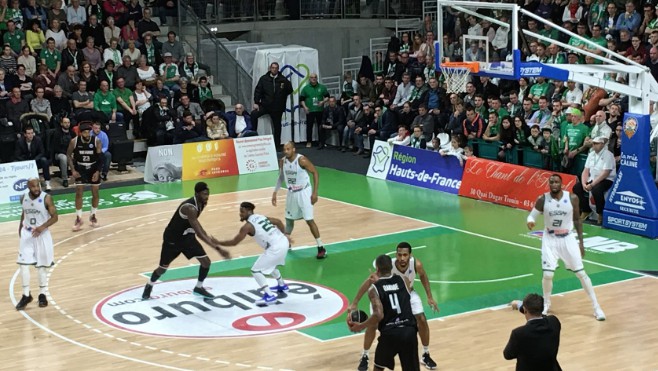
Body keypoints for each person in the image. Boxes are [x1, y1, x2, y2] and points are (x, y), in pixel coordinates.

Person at [526, 174, 606, 320]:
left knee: (581, 274)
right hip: (550, 238)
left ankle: (596, 307)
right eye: (551, 182)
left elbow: (577, 219)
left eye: (556, 182)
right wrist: (530, 222)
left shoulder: (572, 198)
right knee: (548, 275)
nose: (554, 184)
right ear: (549, 184)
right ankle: (546, 304)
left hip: (568, 238)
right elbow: (532, 216)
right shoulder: (542, 199)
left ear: (561, 184)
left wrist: (581, 243)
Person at [350, 242, 439, 371]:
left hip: (407, 291)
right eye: (399, 255)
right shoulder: (388, 265)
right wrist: (355, 302)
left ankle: (425, 354)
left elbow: (423, 276)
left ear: (410, 255)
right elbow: (371, 280)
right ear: (396, 255)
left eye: (405, 255)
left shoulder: (416, 265)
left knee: (422, 319)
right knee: (373, 325)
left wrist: (429, 297)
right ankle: (365, 355)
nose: (402, 258)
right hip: (387, 293)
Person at [142, 182, 231, 300]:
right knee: (162, 269)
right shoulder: (189, 207)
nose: (207, 197)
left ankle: (198, 287)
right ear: (196, 194)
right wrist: (218, 249)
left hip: (187, 237)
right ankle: (149, 285)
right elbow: (199, 233)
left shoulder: (202, 203)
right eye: (204, 194)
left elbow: (200, 229)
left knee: (206, 262)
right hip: (172, 239)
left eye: (208, 194)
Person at [347, 254, 419, 371]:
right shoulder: (404, 280)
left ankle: (365, 356)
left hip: (390, 334)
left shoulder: (374, 288)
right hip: (409, 331)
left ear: (377, 269)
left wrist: (361, 326)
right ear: (392, 267)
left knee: (379, 368)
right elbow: (394, 288)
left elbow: (378, 315)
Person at [215, 202, 291, 306]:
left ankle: (269, 296)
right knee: (270, 264)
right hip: (283, 242)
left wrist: (218, 242)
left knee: (256, 270)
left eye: (242, 211)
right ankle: (282, 285)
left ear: (249, 211)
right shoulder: (260, 216)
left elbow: (234, 242)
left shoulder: (247, 226)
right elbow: (278, 221)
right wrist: (285, 235)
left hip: (275, 248)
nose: (240, 214)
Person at [271, 141, 326, 259]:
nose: (286, 151)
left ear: (294, 149)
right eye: (284, 149)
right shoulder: (282, 161)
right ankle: (286, 243)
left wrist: (315, 193)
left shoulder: (302, 160)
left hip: (304, 192)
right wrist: (275, 192)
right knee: (289, 220)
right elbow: (281, 177)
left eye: (288, 149)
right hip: (292, 193)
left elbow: (315, 173)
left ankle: (321, 247)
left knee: (309, 220)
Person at [16, 178, 58, 310]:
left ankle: (42, 294)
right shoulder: (23, 198)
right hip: (27, 233)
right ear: (28, 187)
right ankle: (26, 295)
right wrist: (20, 229)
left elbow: (55, 217)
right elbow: (24, 213)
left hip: (42, 234)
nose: (36, 189)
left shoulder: (47, 198)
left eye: (37, 186)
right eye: (33, 187)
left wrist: (42, 227)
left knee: (42, 266)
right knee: (23, 265)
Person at [505, 293, 562, 371]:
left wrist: (520, 305)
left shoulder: (518, 333)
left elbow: (508, 355)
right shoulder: (554, 322)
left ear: (525, 310)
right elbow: (543, 317)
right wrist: (521, 306)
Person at [67, 122, 103, 232]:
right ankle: (78, 218)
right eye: (85, 132)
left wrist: (97, 171)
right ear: (80, 133)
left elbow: (101, 158)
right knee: (79, 192)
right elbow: (68, 155)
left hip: (93, 167)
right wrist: (73, 170)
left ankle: (93, 215)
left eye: (88, 132)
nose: (87, 134)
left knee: (95, 192)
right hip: (80, 167)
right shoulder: (74, 141)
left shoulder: (96, 141)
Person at [572, 136, 616, 225]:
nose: (594, 145)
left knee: (596, 189)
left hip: (606, 179)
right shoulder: (591, 154)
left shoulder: (608, 155)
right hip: (592, 178)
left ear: (602, 144)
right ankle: (585, 210)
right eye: (593, 143)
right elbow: (585, 170)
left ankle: (601, 213)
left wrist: (592, 184)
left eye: (596, 143)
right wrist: (584, 183)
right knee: (577, 187)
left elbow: (605, 173)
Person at [252, 62, 293, 148]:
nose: (274, 69)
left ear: (278, 69)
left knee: (277, 127)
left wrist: (282, 96)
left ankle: (277, 146)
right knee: (253, 114)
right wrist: (256, 102)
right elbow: (258, 91)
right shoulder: (264, 79)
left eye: (276, 68)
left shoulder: (283, 79)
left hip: (277, 107)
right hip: (265, 105)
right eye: (272, 68)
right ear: (270, 68)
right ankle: (253, 138)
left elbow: (290, 90)